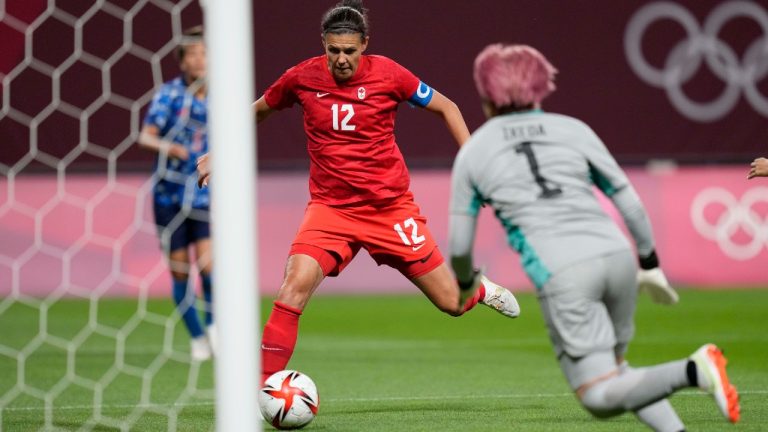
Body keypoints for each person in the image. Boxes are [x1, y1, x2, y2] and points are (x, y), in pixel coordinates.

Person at [197, 0, 520, 383]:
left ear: (364, 44)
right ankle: (260, 392)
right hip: (330, 210)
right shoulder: (301, 78)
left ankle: (477, 289)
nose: (341, 59)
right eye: (333, 50)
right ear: (323, 44)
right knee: (293, 285)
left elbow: (447, 107)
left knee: (451, 303)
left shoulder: (390, 74)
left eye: (349, 51)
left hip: (390, 210)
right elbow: (259, 110)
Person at [449, 43, 740, 431]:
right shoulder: (574, 129)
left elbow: (458, 245)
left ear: (486, 94)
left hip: (564, 272)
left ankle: (693, 370)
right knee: (621, 374)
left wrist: (468, 284)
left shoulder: (476, 150)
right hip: (617, 256)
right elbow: (629, 201)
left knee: (599, 397)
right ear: (541, 85)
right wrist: (649, 263)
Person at [139, 26, 215, 361]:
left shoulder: (222, 95)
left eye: (204, 52)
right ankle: (197, 337)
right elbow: (146, 136)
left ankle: (214, 329)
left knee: (211, 267)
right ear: (182, 61)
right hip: (169, 196)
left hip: (205, 197)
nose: (199, 59)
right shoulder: (169, 95)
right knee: (181, 272)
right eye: (193, 54)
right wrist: (168, 146)